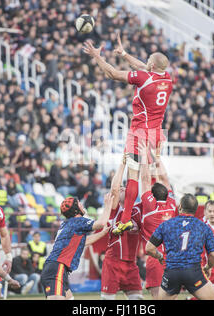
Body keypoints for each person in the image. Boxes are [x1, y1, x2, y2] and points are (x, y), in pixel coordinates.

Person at [83, 33, 173, 235]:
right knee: (151, 175)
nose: (145, 64)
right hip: (157, 133)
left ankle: (125, 219)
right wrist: (124, 54)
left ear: (151, 66)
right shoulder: (167, 78)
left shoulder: (143, 78)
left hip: (139, 133)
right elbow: (145, 67)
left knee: (133, 176)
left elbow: (113, 74)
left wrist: (97, 57)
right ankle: (155, 215)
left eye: (148, 61)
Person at [145, 193, 214, 300]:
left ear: (180, 207)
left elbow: (149, 248)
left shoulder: (166, 224)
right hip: (193, 272)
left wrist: (160, 257)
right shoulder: (203, 227)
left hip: (172, 272)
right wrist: (208, 267)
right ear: (195, 209)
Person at [40, 194, 113, 300]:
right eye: (80, 204)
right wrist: (108, 205)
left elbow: (84, 242)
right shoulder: (77, 221)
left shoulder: (65, 224)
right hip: (57, 268)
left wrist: (103, 233)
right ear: (76, 211)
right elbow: (101, 223)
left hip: (55, 268)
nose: (82, 206)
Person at [136, 142, 178, 298]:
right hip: (173, 258)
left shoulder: (150, 207)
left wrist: (144, 155)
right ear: (167, 194)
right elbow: (165, 178)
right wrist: (157, 157)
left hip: (155, 258)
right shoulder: (172, 205)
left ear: (152, 196)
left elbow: (145, 179)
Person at [100, 154, 143, 300]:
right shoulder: (114, 210)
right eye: (122, 187)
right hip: (113, 262)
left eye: (126, 187)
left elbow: (140, 186)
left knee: (138, 300)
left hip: (131, 263)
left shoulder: (137, 210)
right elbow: (114, 189)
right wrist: (123, 164)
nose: (123, 188)